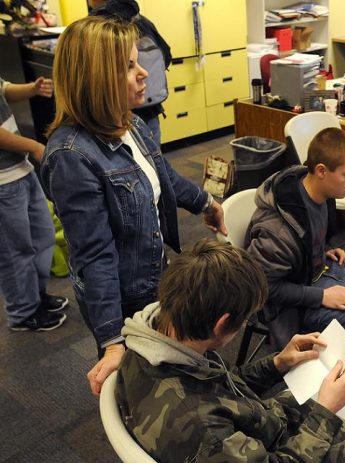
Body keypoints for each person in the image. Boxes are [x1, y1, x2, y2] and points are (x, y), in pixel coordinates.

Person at [116, 238, 345, 463]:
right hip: (298, 449)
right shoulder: (198, 428)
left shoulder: (157, 335)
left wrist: (277, 363)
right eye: (245, 320)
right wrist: (324, 412)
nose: (247, 324)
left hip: (272, 425)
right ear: (219, 324)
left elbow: (223, 387)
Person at [39, 16, 227, 396]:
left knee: (167, 379)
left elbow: (163, 176)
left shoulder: (130, 122)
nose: (143, 73)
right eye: (128, 66)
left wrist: (205, 202)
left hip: (154, 275)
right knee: (137, 391)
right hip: (121, 297)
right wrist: (111, 339)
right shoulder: (71, 155)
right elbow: (95, 255)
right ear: (97, 77)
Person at [247, 127, 345, 357]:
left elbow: (308, 234)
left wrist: (325, 248)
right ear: (321, 170)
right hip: (297, 300)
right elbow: (263, 288)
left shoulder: (320, 191)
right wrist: (323, 297)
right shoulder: (277, 232)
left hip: (320, 268)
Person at [0, 75, 69, 332]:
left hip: (20, 169)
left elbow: (4, 90)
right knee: (14, 251)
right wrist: (35, 147)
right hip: (3, 182)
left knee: (42, 237)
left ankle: (36, 298)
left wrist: (32, 89)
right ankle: (22, 312)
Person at [88, 0, 171, 145]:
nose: (145, 73)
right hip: (149, 110)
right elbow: (166, 55)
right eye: (128, 66)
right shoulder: (142, 21)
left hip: (116, 116)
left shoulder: (96, 28)